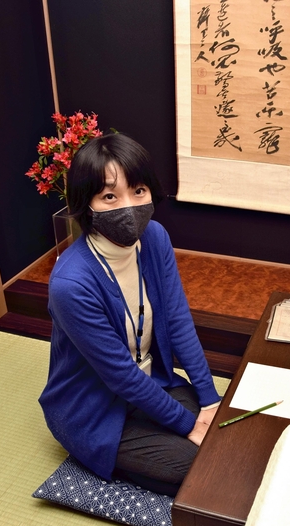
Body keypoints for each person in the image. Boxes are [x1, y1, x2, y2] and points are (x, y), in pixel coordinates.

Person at [38, 133, 221, 496]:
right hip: (92, 408)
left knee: (219, 434)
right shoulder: (71, 284)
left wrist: (210, 398)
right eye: (110, 196)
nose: (129, 206)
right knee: (199, 464)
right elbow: (120, 375)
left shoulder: (155, 238)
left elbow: (179, 320)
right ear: (86, 203)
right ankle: (100, 456)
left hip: (153, 382)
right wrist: (189, 426)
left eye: (138, 191)